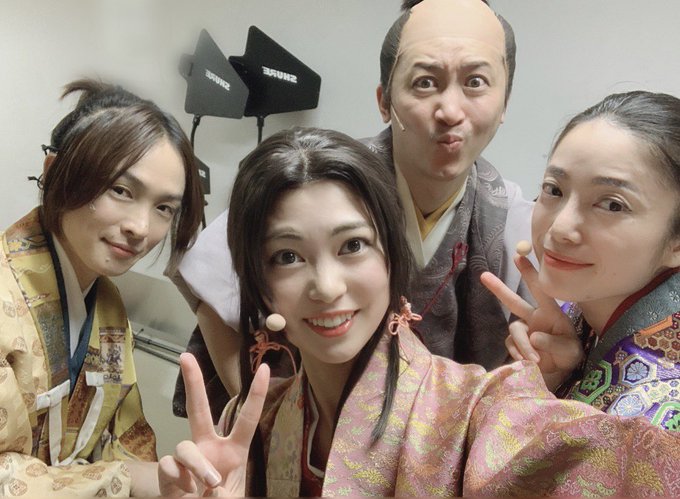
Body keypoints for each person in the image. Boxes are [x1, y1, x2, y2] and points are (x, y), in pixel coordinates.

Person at [158, 127, 678, 497]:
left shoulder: (475, 411)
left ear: (392, 258)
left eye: (353, 245)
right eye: (287, 257)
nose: (327, 286)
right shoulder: (248, 425)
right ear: (261, 286)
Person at [171, 0, 534, 416]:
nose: (450, 111)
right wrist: (259, 419)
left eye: (475, 82)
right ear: (385, 101)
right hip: (301, 423)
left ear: (505, 102)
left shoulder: (511, 221)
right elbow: (211, 285)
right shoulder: (327, 180)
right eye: (424, 82)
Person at [0, 79, 203, 496]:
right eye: (121, 190)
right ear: (54, 173)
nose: (141, 228)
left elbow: (123, 438)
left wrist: (173, 480)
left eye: (164, 207)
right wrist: (122, 479)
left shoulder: (107, 305)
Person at [482, 90, 680, 429]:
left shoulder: (656, 418)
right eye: (554, 190)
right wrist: (549, 379)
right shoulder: (583, 315)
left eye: (612, 205)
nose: (559, 229)